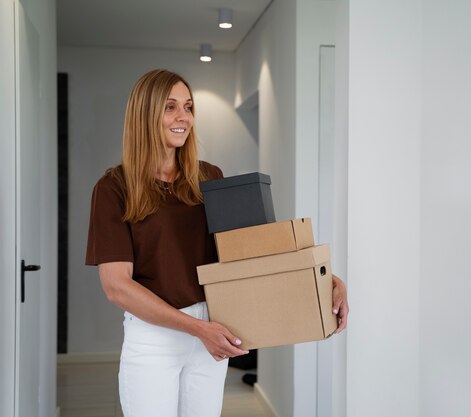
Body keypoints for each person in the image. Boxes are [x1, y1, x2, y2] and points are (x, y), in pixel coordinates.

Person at [85, 69, 349, 417]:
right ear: (144, 113)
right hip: (154, 338)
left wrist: (325, 280)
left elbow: (255, 256)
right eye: (170, 107)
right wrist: (198, 329)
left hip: (213, 329)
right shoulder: (114, 189)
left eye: (188, 106)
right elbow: (117, 287)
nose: (184, 117)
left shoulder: (209, 178)